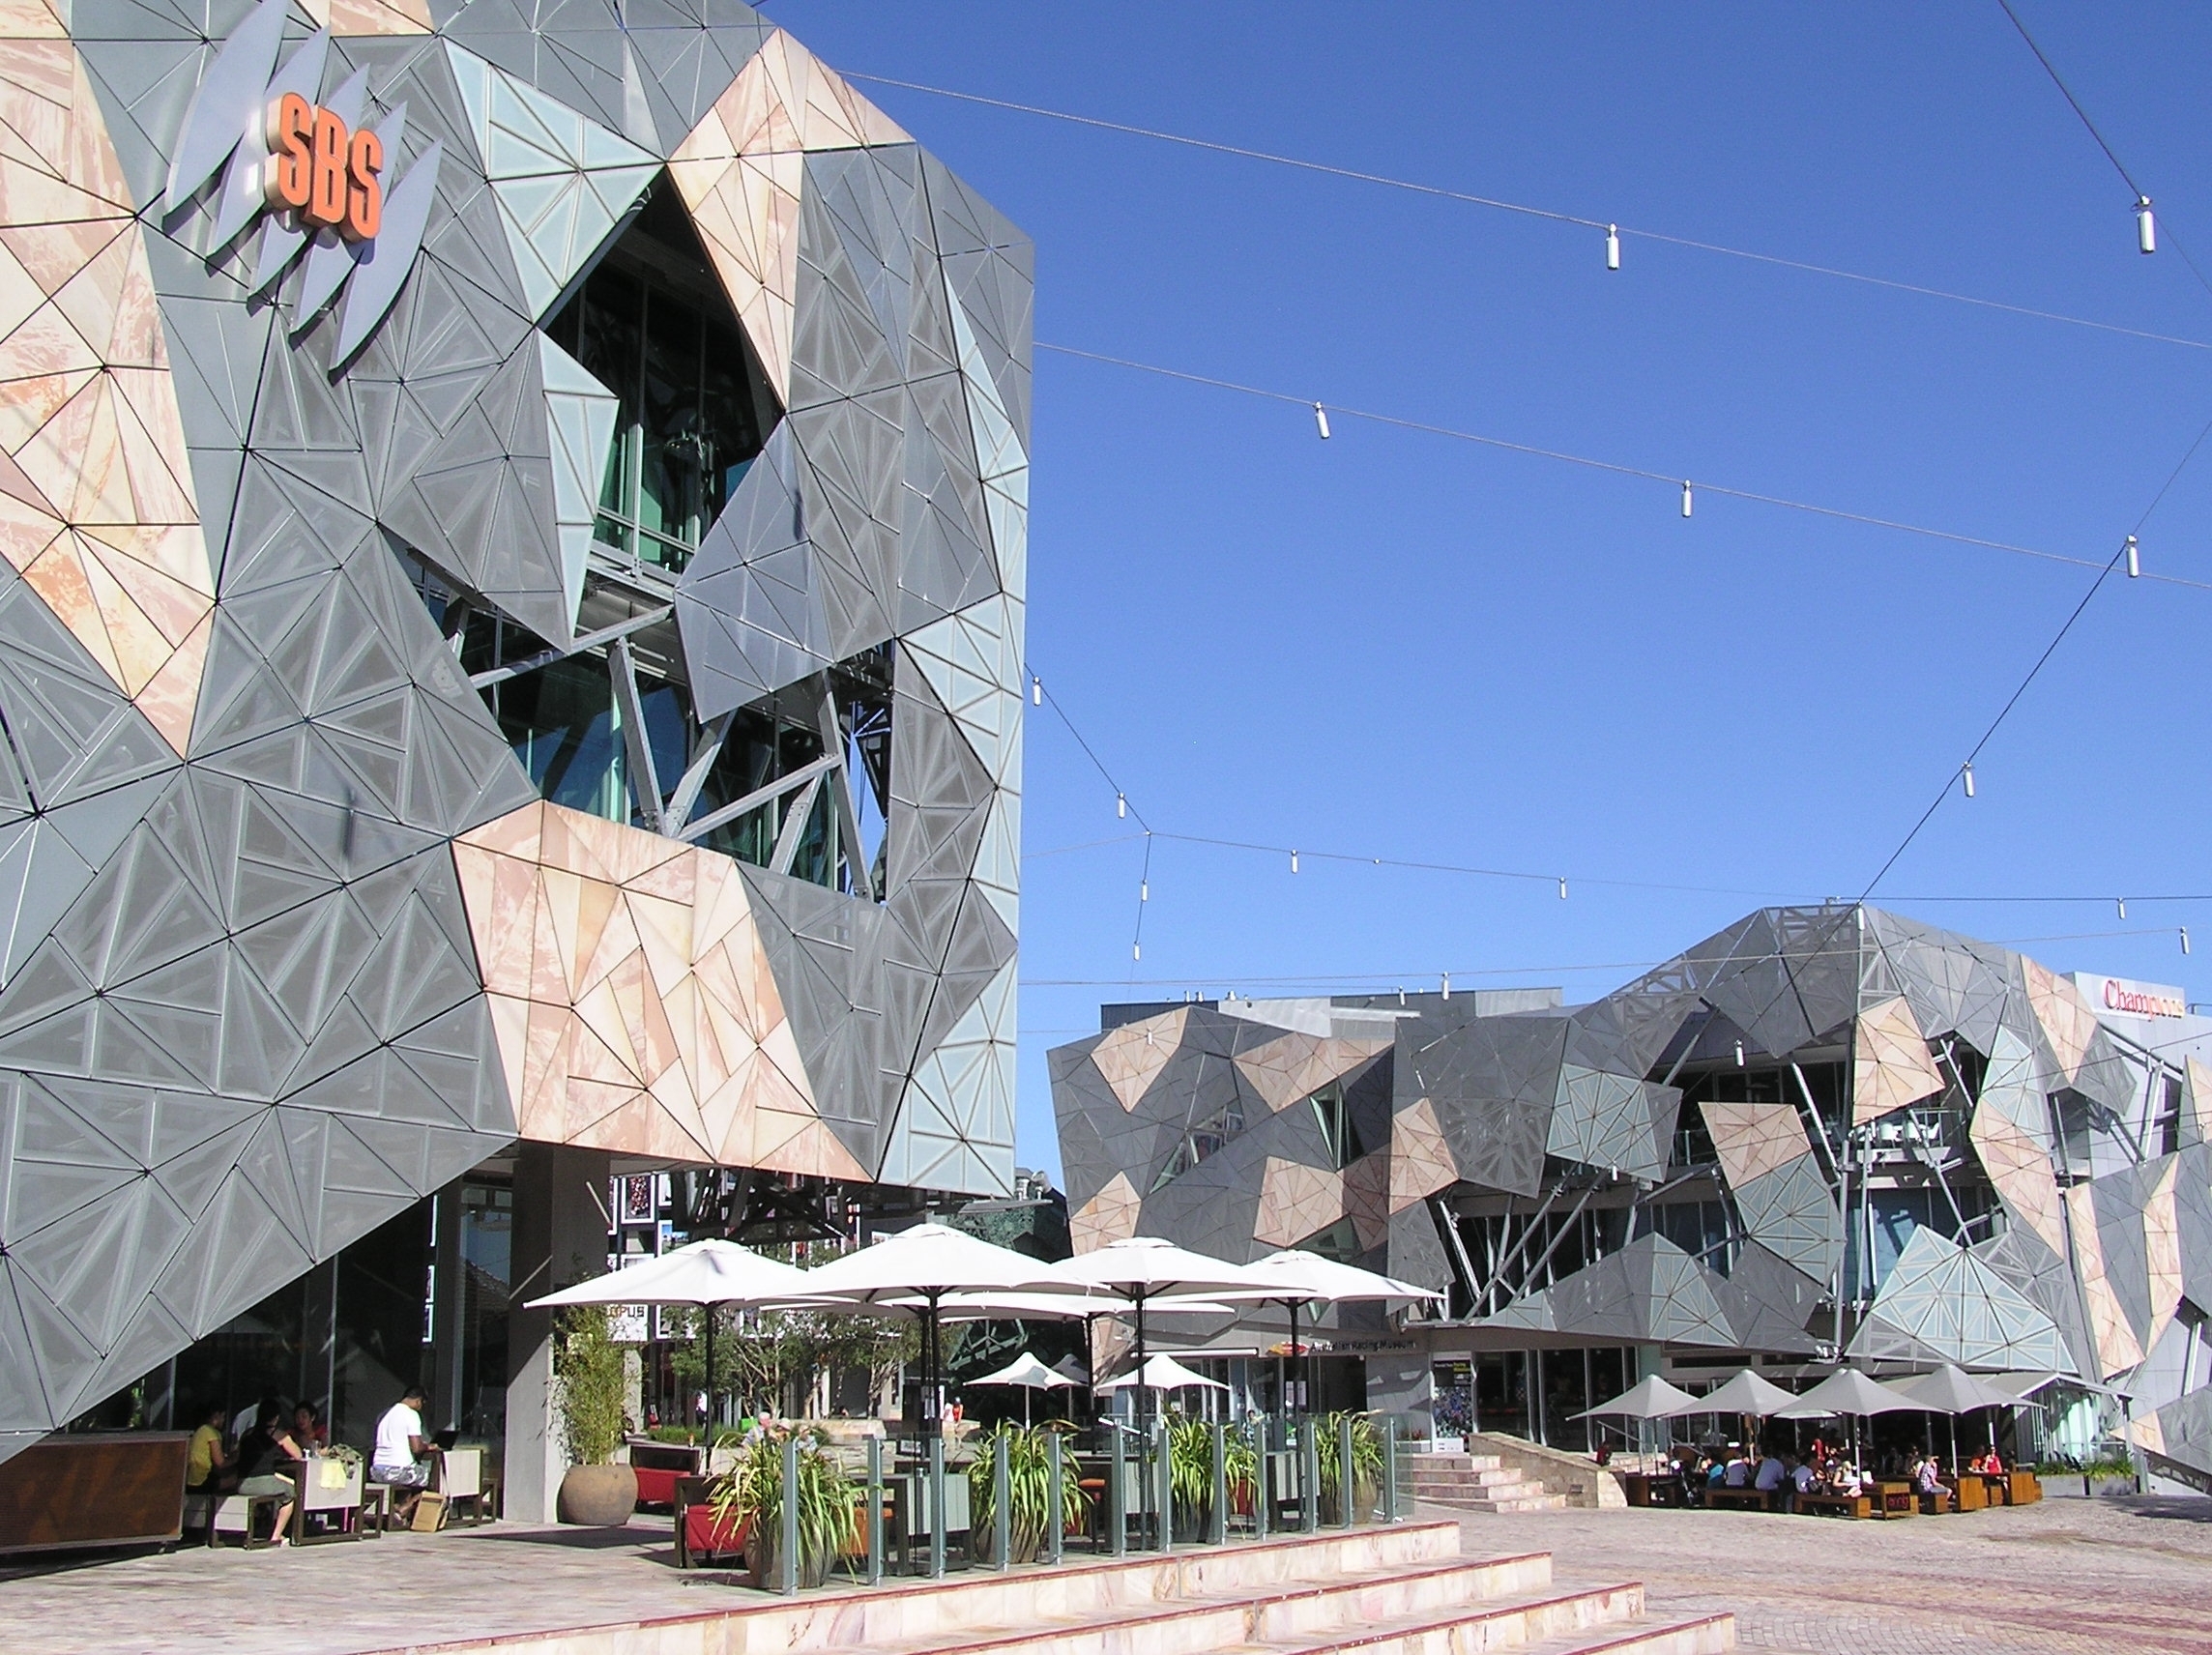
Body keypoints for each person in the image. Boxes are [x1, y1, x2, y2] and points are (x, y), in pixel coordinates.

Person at [232, 1401, 306, 1545]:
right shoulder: (278, 1434)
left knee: (281, 1484)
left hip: (241, 1483)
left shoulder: (248, 1433)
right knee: (291, 1494)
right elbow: (298, 1455)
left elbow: (236, 1452)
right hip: (263, 1482)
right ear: (276, 1417)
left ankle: (260, 1524)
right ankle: (276, 1535)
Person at [372, 1384, 436, 1524]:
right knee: (432, 1479)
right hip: (398, 1471)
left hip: (377, 1470)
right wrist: (428, 1446)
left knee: (411, 1475)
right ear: (418, 1401)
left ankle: (395, 1510)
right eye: (422, 1404)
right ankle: (404, 1508)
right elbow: (417, 1448)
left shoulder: (385, 1413)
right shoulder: (411, 1414)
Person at [186, 1404, 230, 1493]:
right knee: (239, 1479)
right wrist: (236, 1457)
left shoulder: (199, 1431)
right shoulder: (211, 1432)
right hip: (203, 1481)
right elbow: (220, 1463)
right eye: (223, 1417)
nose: (224, 1421)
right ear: (216, 1415)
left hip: (190, 1481)